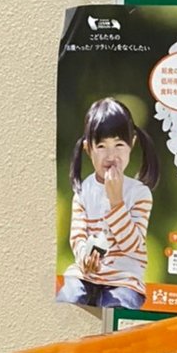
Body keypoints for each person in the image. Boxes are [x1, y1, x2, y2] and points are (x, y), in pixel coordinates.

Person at [57, 97, 159, 308]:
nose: (111, 155)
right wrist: (85, 258)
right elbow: (77, 237)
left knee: (117, 307)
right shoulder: (83, 192)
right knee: (68, 299)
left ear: (131, 144)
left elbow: (132, 246)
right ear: (88, 149)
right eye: (102, 146)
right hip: (85, 275)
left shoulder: (139, 193)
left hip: (124, 279)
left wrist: (116, 202)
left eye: (119, 144)